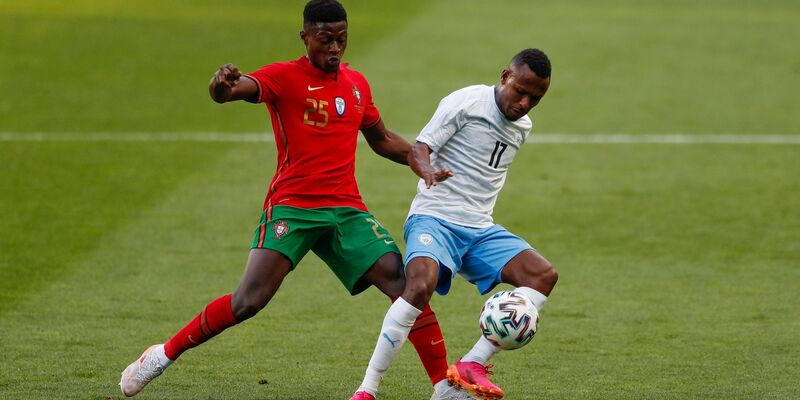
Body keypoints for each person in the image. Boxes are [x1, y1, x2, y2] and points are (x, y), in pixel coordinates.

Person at [118, 1, 471, 399]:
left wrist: (420, 162)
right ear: (305, 38)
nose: (334, 48)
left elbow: (381, 139)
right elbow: (232, 91)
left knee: (406, 285)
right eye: (325, 40)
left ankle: (443, 385)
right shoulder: (284, 77)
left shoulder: (356, 84)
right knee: (248, 301)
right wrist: (222, 83)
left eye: (341, 39)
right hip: (293, 207)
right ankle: (162, 355)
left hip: (346, 211)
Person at [350, 48, 559, 400]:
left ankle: (472, 363)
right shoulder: (466, 102)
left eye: (535, 98)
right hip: (434, 218)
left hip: (479, 229)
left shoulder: (523, 126)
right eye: (520, 91)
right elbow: (419, 147)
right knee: (419, 286)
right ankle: (367, 389)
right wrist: (428, 171)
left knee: (543, 276)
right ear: (505, 76)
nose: (524, 103)